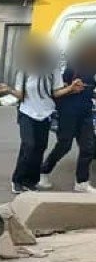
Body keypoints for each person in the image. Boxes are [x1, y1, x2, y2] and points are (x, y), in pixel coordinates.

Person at [0, 37, 84, 194]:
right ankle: (18, 180)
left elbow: (55, 92)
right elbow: (21, 95)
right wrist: (8, 90)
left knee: (39, 148)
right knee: (29, 145)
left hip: (45, 115)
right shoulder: (24, 71)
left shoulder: (53, 71)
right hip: (27, 113)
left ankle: (31, 181)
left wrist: (71, 88)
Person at [40, 30, 96, 193]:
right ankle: (44, 172)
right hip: (69, 111)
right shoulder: (73, 65)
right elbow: (59, 87)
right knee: (64, 145)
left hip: (86, 111)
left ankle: (81, 182)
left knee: (88, 147)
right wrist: (72, 87)